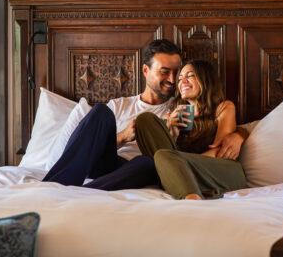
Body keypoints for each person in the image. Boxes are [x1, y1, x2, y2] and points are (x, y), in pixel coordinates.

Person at [43, 40, 246, 191]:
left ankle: (82, 193)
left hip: (141, 171)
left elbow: (207, 130)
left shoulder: (181, 107)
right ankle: (54, 186)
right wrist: (124, 135)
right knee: (100, 111)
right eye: (165, 72)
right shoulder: (119, 105)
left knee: (147, 163)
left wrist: (240, 134)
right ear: (145, 70)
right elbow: (88, 146)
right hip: (107, 164)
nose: (173, 80)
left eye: (178, 73)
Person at [135, 59, 247, 200]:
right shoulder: (175, 116)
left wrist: (179, 162)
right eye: (180, 78)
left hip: (221, 170)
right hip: (185, 171)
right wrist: (171, 131)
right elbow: (165, 153)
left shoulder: (223, 107)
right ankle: (184, 186)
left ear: (205, 79)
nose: (183, 82)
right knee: (145, 120)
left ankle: (191, 199)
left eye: (190, 76)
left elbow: (221, 152)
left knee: (164, 156)